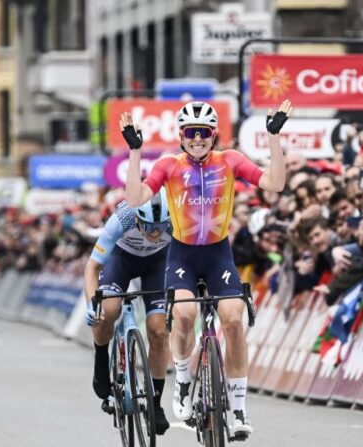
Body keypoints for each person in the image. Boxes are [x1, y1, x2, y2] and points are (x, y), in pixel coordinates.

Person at [121, 99, 292, 438]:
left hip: (218, 255)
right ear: (181, 135)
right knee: (183, 316)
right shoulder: (169, 164)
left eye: (204, 132)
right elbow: (136, 197)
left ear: (214, 134)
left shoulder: (230, 160)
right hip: (182, 255)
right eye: (190, 132)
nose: (197, 138)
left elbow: (275, 184)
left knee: (232, 320)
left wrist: (274, 138)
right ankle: (183, 381)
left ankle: (239, 408)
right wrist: (135, 152)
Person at [84, 191, 173, 435]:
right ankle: (101, 354)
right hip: (121, 260)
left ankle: (155, 403)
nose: (155, 234)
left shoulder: (176, 217)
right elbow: (92, 268)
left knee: (158, 330)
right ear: (136, 219)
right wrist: (92, 304)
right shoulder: (121, 219)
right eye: (148, 227)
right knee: (108, 308)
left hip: (158, 263)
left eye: (160, 228)